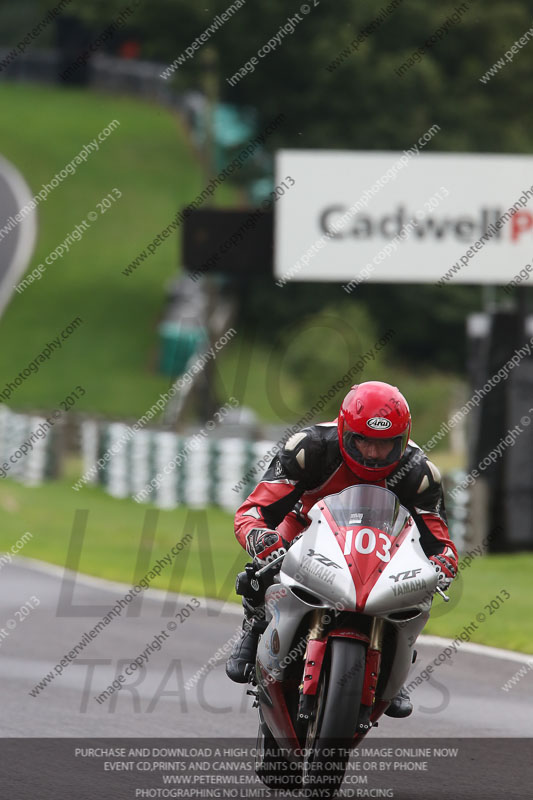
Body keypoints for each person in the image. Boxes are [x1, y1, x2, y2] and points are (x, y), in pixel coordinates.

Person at [226, 380, 458, 718]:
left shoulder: (419, 473)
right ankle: (255, 625)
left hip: (382, 553)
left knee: (420, 589)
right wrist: (260, 538)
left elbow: (440, 541)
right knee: (259, 571)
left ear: (403, 439)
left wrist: (443, 563)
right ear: (345, 429)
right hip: (306, 530)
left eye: (386, 444)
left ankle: (396, 657)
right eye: (363, 440)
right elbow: (254, 509)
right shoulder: (309, 448)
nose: (373, 453)